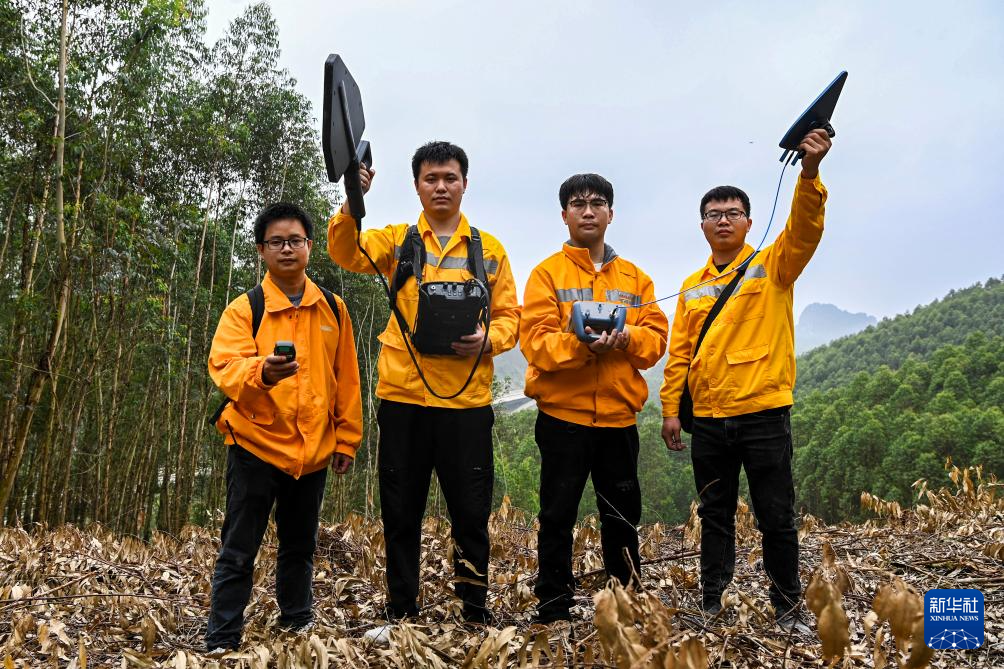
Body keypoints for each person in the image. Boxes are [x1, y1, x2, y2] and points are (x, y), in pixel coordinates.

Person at [327, 141, 520, 623]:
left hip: (467, 403)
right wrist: (353, 200)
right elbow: (344, 251)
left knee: (471, 512)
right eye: (431, 178)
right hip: (404, 399)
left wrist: (488, 340)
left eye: (450, 178)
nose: (441, 187)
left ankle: (474, 610)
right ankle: (401, 609)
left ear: (464, 184)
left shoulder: (489, 251)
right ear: (416, 186)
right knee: (400, 511)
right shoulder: (397, 241)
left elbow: (511, 317)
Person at [660, 129, 833, 633]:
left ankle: (787, 607)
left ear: (749, 223)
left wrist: (809, 173)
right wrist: (670, 410)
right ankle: (712, 601)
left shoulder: (773, 264)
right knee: (714, 514)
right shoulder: (691, 287)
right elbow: (680, 354)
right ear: (701, 225)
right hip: (710, 420)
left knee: (776, 515)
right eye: (714, 214)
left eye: (733, 213)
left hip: (763, 413)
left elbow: (804, 229)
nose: (723, 220)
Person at [204, 202, 363, 652]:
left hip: (312, 452)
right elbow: (225, 366)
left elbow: (347, 380)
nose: (287, 249)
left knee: (300, 546)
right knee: (239, 548)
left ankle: (296, 624)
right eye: (276, 242)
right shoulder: (246, 309)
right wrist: (263, 372)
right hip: (255, 445)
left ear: (310, 246)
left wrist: (347, 439)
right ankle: (222, 639)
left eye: (295, 240)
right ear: (262, 250)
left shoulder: (333, 308)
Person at [521, 173, 668, 623]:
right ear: (564, 215)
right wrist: (582, 344)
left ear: (611, 213)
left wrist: (626, 339)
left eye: (597, 203)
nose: (588, 211)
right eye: (578, 203)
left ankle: (626, 603)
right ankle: (553, 606)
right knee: (557, 514)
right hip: (562, 417)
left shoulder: (636, 279)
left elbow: (656, 341)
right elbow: (536, 343)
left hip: (618, 419)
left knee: (621, 517)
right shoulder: (547, 274)